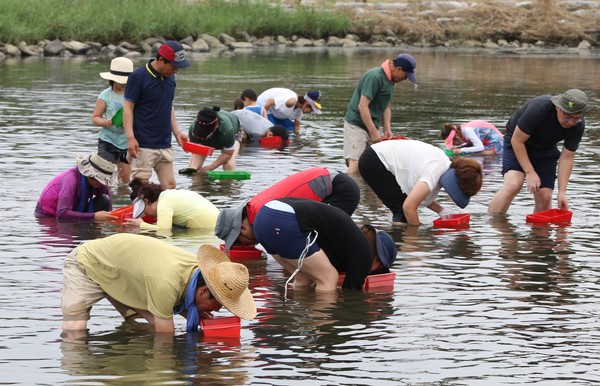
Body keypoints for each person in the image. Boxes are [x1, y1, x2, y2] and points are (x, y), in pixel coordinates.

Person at [60, 233, 256, 334]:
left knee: (145, 325)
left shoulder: (199, 272)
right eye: (220, 303)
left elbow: (176, 305)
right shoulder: (166, 283)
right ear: (204, 290)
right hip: (88, 263)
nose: (219, 310)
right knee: (75, 329)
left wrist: (192, 313)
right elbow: (165, 340)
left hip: (125, 274)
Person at [252, 198, 397, 291]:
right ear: (377, 257)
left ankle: (294, 315)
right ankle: (322, 327)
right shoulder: (363, 251)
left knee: (304, 277)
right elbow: (351, 293)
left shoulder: (345, 239)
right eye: (379, 269)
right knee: (328, 277)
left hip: (264, 216)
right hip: (283, 220)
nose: (373, 272)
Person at [488, 89, 592, 214]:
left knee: (545, 196)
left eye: (577, 118)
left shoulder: (578, 126)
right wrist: (530, 171)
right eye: (567, 116)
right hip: (518, 142)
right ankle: (494, 226)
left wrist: (562, 192)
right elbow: (517, 141)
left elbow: (567, 157)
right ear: (558, 108)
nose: (571, 122)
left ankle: (538, 232)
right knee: (513, 184)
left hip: (545, 148)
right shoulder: (539, 108)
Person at [215, 167, 360, 250]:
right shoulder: (255, 208)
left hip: (338, 189)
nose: (247, 246)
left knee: (328, 241)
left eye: (238, 242)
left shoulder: (262, 214)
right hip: (334, 182)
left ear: (242, 227)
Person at [358, 139, 483, 225]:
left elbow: (417, 196)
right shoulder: (434, 171)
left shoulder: (443, 164)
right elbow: (409, 207)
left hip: (376, 156)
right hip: (375, 161)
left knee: (403, 208)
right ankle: (402, 249)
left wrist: (441, 210)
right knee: (401, 212)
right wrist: (416, 232)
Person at [123, 40, 190, 190]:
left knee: (170, 186)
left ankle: (162, 213)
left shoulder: (170, 77)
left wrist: (177, 132)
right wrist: (130, 137)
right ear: (160, 60)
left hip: (164, 142)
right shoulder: (138, 77)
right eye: (173, 66)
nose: (176, 71)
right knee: (141, 185)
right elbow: (128, 108)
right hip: (143, 143)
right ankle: (137, 214)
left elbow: (168, 105)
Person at [343, 53, 417, 175]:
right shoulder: (375, 77)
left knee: (373, 166)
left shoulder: (391, 81)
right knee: (356, 166)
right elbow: (362, 106)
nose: (405, 79)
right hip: (356, 125)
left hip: (373, 124)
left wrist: (387, 129)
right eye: (406, 76)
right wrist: (373, 132)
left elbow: (386, 106)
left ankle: (368, 194)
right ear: (399, 69)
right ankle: (348, 193)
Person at [35, 153, 117, 221]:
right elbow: (62, 213)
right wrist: (94, 216)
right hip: (49, 217)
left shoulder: (96, 183)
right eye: (102, 181)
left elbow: (108, 206)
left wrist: (113, 217)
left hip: (73, 210)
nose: (104, 185)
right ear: (92, 177)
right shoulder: (70, 180)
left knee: (104, 199)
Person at [92, 57, 134, 184]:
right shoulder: (105, 96)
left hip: (127, 142)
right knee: (103, 177)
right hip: (108, 140)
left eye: (126, 81)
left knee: (125, 180)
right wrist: (105, 122)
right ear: (112, 79)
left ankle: (121, 200)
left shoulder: (134, 95)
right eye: (120, 81)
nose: (123, 83)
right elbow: (95, 118)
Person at [125, 178, 219, 230]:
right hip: (218, 224)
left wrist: (141, 224)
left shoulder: (163, 204)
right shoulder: (169, 195)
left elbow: (164, 231)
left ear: (146, 201)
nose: (147, 215)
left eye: (144, 212)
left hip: (208, 231)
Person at [179, 106, 242, 175]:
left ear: (216, 126)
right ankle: (198, 185)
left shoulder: (226, 130)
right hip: (212, 134)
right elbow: (195, 151)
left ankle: (227, 184)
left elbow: (228, 153)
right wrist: (194, 169)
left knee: (228, 165)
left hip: (234, 132)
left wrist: (210, 168)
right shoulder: (193, 129)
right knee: (194, 167)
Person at [257, 88, 322, 133]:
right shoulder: (291, 101)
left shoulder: (300, 109)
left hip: (274, 111)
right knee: (274, 130)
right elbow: (270, 101)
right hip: (264, 105)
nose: (311, 112)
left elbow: (297, 125)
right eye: (311, 109)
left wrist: (298, 140)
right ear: (307, 104)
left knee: (290, 127)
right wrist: (262, 119)